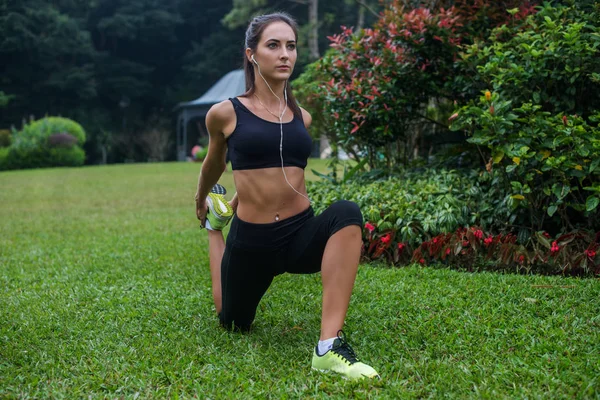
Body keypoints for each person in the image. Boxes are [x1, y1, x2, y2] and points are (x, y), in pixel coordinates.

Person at [194, 12, 378, 380]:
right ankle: (216, 227)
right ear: (252, 54)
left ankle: (328, 347)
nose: (285, 55)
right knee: (232, 323)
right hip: (252, 241)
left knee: (346, 212)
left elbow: (279, 172)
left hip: (298, 233)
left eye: (290, 46)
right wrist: (201, 199)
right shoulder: (226, 113)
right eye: (273, 45)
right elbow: (215, 164)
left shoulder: (301, 118)